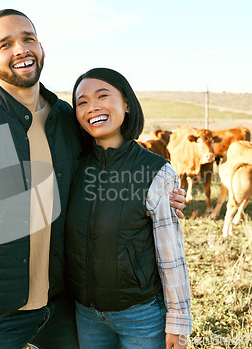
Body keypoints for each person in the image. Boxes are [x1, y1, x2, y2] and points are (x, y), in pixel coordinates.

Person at [0, 9, 187, 349]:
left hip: (63, 308)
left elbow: (111, 156)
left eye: (28, 39)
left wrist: (161, 186)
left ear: (42, 49)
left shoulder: (67, 121)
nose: (20, 50)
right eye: (5, 44)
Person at [65, 68, 192, 349]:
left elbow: (171, 254)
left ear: (126, 104)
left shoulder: (156, 171)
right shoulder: (72, 166)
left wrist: (179, 323)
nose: (92, 106)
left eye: (102, 96)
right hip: (86, 315)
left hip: (141, 316)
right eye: (82, 102)